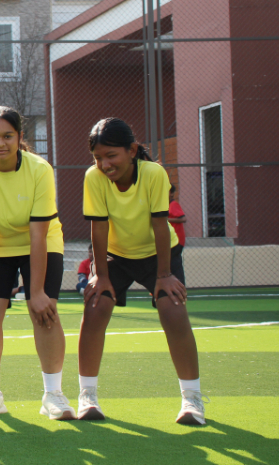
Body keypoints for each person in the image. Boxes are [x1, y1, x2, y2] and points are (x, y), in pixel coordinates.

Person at [79, 117, 206, 424]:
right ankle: (87, 397)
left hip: (159, 255)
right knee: (95, 307)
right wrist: (101, 276)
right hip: (117, 255)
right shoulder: (94, 177)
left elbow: (160, 225)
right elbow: (99, 227)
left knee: (173, 310)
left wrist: (163, 276)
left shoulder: (153, 174)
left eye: (111, 155)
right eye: (98, 157)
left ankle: (192, 400)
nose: (105, 164)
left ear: (132, 150)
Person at [0, 106, 75, 421]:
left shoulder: (39, 170)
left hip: (41, 240)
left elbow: (38, 235)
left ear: (19, 137)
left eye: (7, 136)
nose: (0, 143)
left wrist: (35, 292)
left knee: (45, 312)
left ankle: (53, 395)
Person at [169, 185, 187, 260]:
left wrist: (166, 219)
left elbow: (183, 219)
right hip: (171, 240)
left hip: (177, 240)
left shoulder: (173, 205)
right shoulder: (166, 205)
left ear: (172, 194)